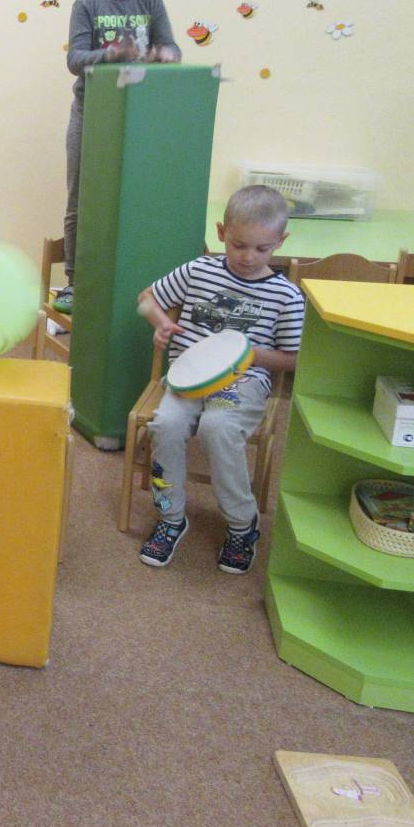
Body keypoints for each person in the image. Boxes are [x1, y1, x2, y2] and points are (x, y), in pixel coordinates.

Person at [136, 185, 303, 573]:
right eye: (238, 245)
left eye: (262, 248)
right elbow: (146, 299)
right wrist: (161, 323)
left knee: (218, 428)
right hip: (187, 378)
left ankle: (243, 525)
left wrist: (244, 355)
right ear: (222, 232)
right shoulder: (199, 270)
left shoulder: (286, 296)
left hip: (243, 382)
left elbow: (294, 359)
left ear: (281, 241)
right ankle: (170, 517)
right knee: (166, 425)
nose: (248, 257)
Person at [58, 0, 181, 316]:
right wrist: (112, 54)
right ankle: (75, 280)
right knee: (81, 199)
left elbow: (172, 48)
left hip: (138, 120)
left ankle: (133, 278)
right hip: (91, 116)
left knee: (132, 199)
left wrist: (165, 54)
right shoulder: (88, 3)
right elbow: (75, 59)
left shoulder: (152, 3)